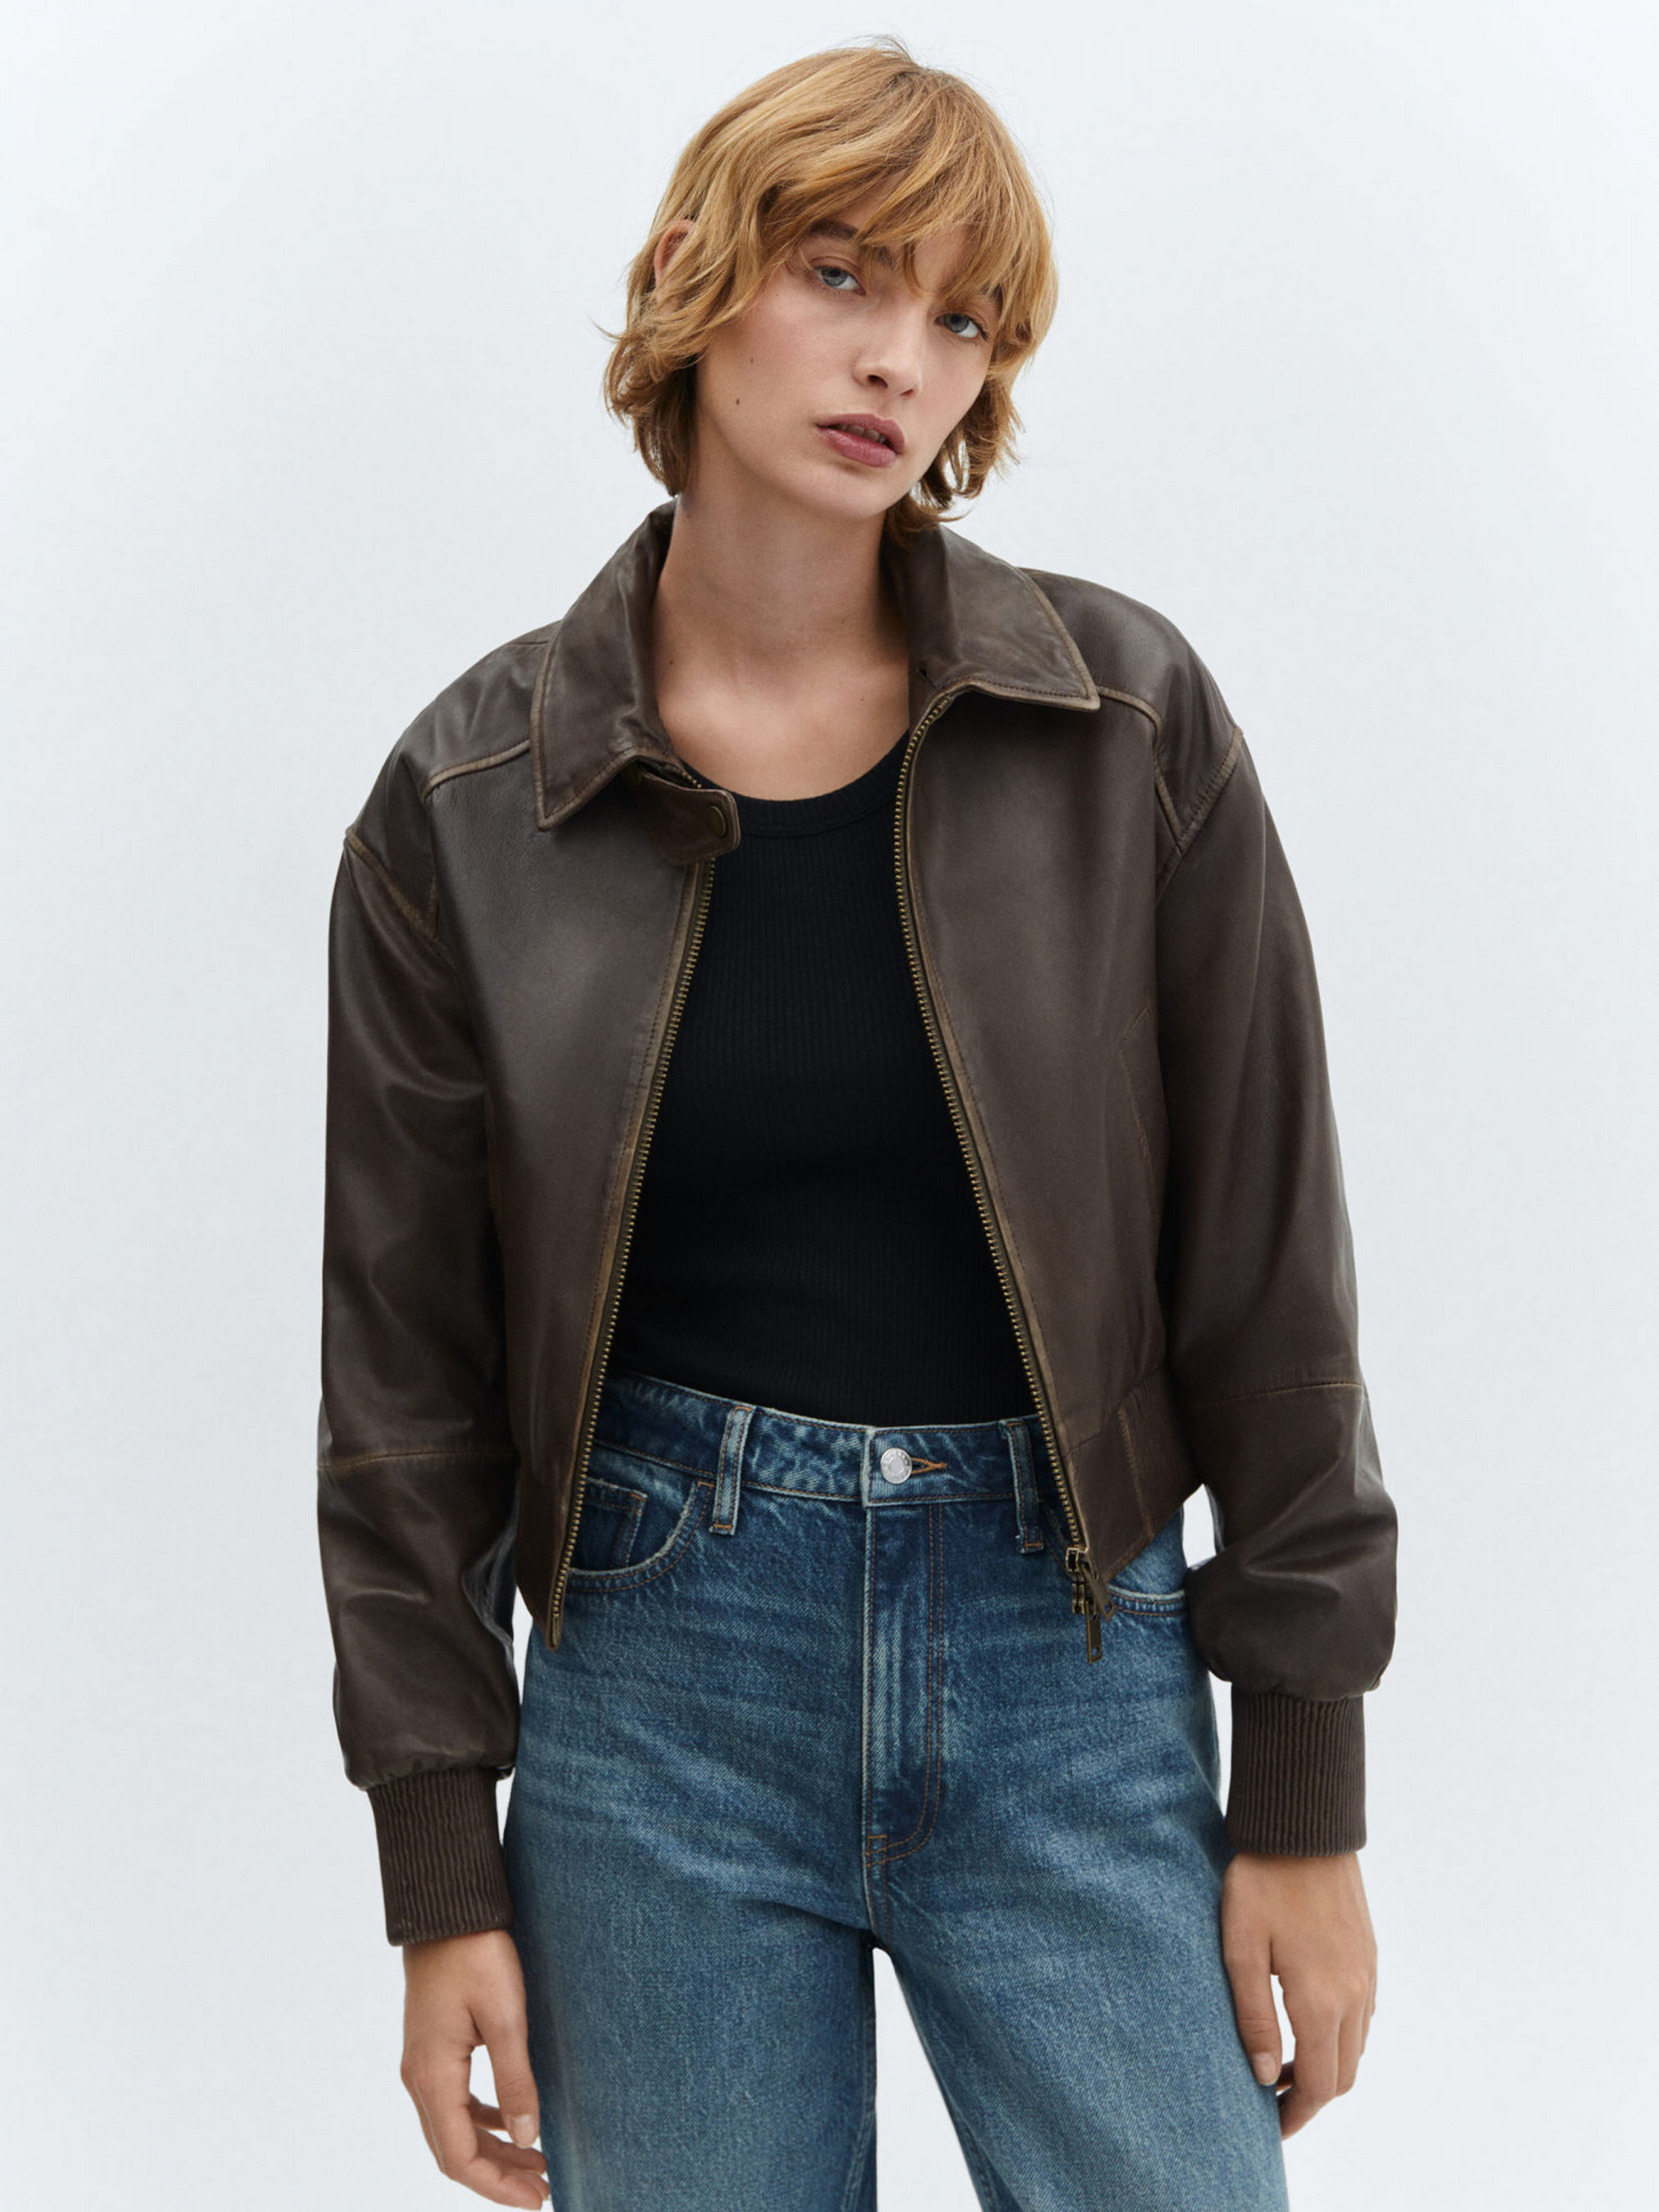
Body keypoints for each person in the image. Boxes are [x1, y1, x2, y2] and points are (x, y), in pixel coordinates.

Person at [316, 39, 1397, 2212]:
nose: (901, 358)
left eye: (963, 317)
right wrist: (440, 1864)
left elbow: (1270, 1274)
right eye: (841, 274)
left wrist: (1303, 1784)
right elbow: (405, 1390)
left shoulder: (1123, 726)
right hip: (659, 1680)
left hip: (1067, 1649)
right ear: (693, 275)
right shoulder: (469, 802)